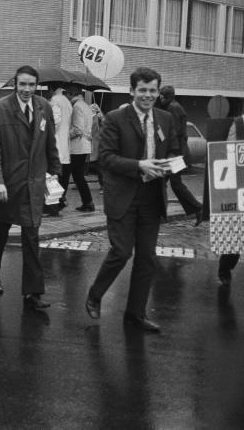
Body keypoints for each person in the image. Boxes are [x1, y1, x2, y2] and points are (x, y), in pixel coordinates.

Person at [85, 68, 180, 332]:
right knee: (122, 252)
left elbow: (174, 150)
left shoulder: (165, 118)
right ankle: (95, 294)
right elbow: (105, 158)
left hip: (152, 197)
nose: (148, 95)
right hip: (124, 196)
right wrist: (140, 165)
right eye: (143, 90)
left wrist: (170, 165)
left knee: (147, 258)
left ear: (158, 92)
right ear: (132, 91)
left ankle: (135, 314)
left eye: (153, 90)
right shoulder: (115, 118)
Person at [0, 66, 60, 308]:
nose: (27, 89)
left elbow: (50, 143)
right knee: (1, 230)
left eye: (31, 85)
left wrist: (55, 174)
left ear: (37, 85)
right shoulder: (1, 108)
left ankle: (33, 293)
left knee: (31, 235)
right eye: (22, 84)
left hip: (34, 182)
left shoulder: (43, 107)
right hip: (8, 183)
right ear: (15, 84)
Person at [159, 85, 203, 225]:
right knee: (160, 182)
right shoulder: (175, 106)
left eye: (161, 96)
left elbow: (173, 132)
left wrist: (159, 136)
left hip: (176, 154)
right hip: (176, 152)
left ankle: (198, 208)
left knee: (175, 184)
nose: (159, 98)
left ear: (166, 96)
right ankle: (159, 213)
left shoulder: (173, 108)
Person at [217, 114, 244, 288]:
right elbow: (229, 150)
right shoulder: (239, 123)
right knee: (236, 230)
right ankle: (225, 267)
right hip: (241, 183)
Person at [65, 84, 95, 212]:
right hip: (84, 146)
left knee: (65, 174)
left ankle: (58, 202)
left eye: (66, 93)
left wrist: (64, 136)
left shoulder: (77, 106)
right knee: (78, 176)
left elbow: (77, 129)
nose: (65, 96)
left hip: (77, 147)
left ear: (72, 93)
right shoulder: (86, 106)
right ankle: (88, 202)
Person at [46, 85, 71, 216]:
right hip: (63, 144)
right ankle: (59, 201)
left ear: (51, 88)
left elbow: (55, 121)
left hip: (55, 142)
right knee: (58, 176)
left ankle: (54, 205)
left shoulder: (55, 101)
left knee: (52, 177)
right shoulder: (66, 101)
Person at [89, 103, 105, 189]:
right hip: (96, 144)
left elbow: (92, 130)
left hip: (97, 145)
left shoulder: (97, 118)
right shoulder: (100, 117)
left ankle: (103, 185)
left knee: (99, 166)